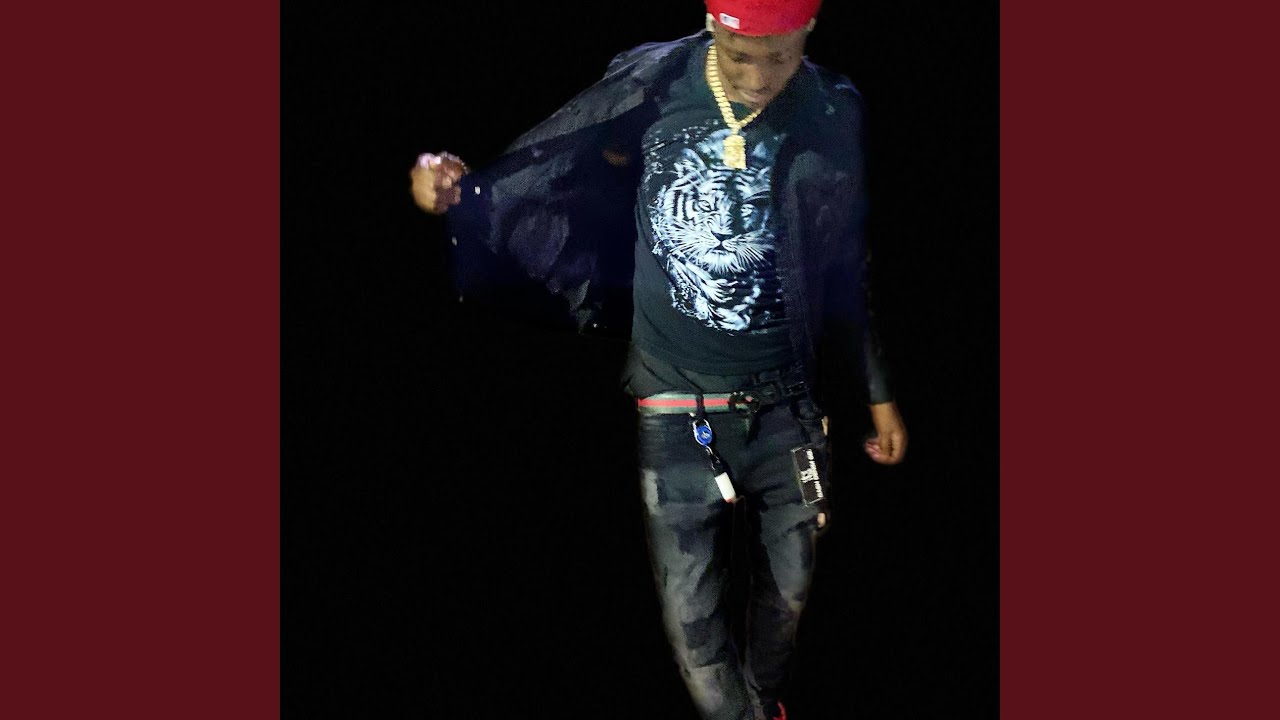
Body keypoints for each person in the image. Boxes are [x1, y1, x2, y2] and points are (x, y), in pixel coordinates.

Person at [410, 2, 907, 718]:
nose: (758, 77)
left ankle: (764, 704)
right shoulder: (653, 86)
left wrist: (878, 391)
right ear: (712, 28)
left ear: (809, 33)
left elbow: (845, 264)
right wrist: (454, 187)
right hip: (676, 407)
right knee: (695, 632)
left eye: (779, 57)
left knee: (787, 606)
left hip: (787, 405)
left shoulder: (832, 109)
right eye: (739, 56)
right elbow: (548, 165)